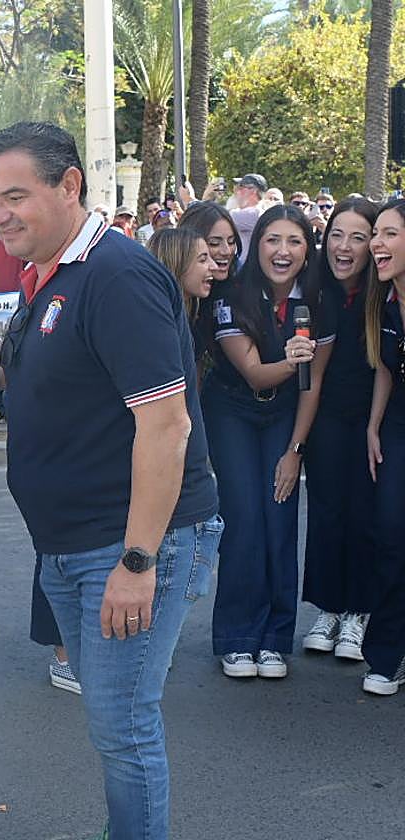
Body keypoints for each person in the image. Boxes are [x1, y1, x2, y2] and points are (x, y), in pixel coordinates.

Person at [0, 122, 220, 840]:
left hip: (127, 547)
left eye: (16, 196)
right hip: (72, 544)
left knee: (124, 728)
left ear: (70, 185)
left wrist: (138, 562)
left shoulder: (116, 275)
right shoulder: (53, 272)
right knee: (110, 719)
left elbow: (166, 426)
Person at [204, 205, 335, 680]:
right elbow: (256, 370)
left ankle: (275, 639)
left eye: (294, 242)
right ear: (256, 245)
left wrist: (294, 452)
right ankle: (237, 638)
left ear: (307, 250)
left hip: (286, 413)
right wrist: (293, 360)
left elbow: (312, 383)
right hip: (233, 408)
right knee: (244, 518)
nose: (283, 252)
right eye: (272, 240)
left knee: (280, 514)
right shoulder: (232, 296)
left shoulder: (318, 301)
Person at [299, 198, 379, 660]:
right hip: (327, 414)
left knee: (365, 513)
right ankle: (327, 608)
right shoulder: (316, 289)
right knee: (327, 512)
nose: (344, 247)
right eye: (337, 235)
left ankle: (358, 612)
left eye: (357, 237)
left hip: (376, 419)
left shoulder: (384, 291)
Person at [359, 199, 405, 695]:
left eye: (389, 234)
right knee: (391, 535)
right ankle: (388, 656)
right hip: (397, 427)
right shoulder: (384, 301)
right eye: (377, 234)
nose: (377, 244)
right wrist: (374, 426)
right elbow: (386, 369)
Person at [147, 227, 220, 380]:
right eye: (202, 259)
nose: (214, 266)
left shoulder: (193, 314)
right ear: (177, 264)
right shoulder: (154, 325)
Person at [230, 173, 269, 258]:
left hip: (245, 266)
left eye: (240, 187)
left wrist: (207, 197)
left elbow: (215, 219)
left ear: (253, 190)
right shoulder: (259, 211)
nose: (236, 191)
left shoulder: (252, 213)